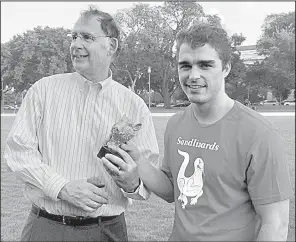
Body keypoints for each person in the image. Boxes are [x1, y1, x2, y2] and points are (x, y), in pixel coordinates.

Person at [102, 22, 293, 241]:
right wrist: (137, 158)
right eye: (185, 65)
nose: (193, 75)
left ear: (226, 68)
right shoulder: (176, 124)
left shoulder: (260, 134)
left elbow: (275, 224)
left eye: (205, 65)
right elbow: (172, 190)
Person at [4, 5, 159, 242]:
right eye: (74, 36)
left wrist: (133, 183)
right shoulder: (43, 91)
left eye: (86, 37)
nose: (76, 44)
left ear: (112, 46)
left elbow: (146, 183)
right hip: (47, 227)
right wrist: (62, 188)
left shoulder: (135, 107)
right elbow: (18, 153)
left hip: (107, 231)